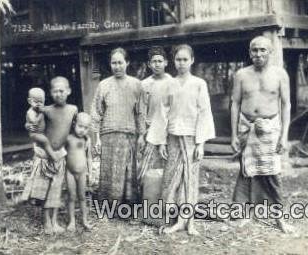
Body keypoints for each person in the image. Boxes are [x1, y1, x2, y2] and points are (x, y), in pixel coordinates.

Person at [149, 44, 215, 235]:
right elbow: (162, 113)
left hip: (192, 138)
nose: (181, 63)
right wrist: (161, 141)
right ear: (174, 61)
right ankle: (177, 220)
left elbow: (204, 113)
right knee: (172, 178)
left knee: (190, 179)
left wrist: (201, 143)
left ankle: (190, 222)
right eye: (178, 59)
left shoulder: (199, 84)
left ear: (192, 60)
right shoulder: (169, 83)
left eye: (185, 59)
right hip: (172, 137)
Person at [230, 36, 292, 233]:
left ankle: (279, 218)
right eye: (254, 50)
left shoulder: (280, 74)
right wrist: (233, 135)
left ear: (270, 52)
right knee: (246, 171)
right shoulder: (241, 74)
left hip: (270, 128)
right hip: (246, 127)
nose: (258, 54)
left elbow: (286, 104)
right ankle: (245, 214)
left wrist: (284, 135)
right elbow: (235, 104)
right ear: (249, 53)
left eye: (263, 50)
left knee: (272, 173)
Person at [91, 47, 146, 205]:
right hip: (108, 134)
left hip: (129, 133)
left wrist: (142, 135)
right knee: (109, 170)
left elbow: (141, 112)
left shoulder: (136, 84)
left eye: (120, 62)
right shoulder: (103, 85)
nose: (117, 66)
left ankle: (128, 205)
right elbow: (96, 112)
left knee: (128, 170)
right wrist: (96, 139)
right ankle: (109, 205)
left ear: (127, 63)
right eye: (113, 63)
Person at [23, 76, 78, 234]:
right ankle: (46, 221)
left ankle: (54, 221)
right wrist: (28, 124)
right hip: (45, 156)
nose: (59, 94)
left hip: (60, 156)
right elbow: (31, 122)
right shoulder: (45, 110)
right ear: (50, 93)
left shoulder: (73, 109)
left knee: (56, 190)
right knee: (43, 189)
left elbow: (76, 127)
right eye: (55, 91)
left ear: (69, 91)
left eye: (62, 91)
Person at [138, 46, 176, 181]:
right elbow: (141, 111)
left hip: (168, 131)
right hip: (150, 132)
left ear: (166, 62)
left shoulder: (173, 82)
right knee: (147, 171)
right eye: (154, 61)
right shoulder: (144, 84)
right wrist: (142, 135)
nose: (157, 64)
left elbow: (174, 110)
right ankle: (148, 198)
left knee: (167, 169)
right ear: (149, 64)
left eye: (160, 61)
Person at [65, 112, 93, 232]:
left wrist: (90, 173)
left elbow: (89, 157)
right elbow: (63, 155)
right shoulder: (68, 139)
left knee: (82, 197)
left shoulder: (87, 140)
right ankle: (72, 221)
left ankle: (85, 220)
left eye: (86, 128)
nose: (82, 130)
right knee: (71, 197)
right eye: (80, 126)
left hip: (82, 173)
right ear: (74, 124)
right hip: (70, 172)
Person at [25, 87, 66, 163]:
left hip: (43, 132)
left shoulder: (43, 109)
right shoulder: (30, 112)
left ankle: (53, 155)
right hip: (35, 134)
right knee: (45, 141)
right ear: (30, 101)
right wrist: (41, 113)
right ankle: (53, 157)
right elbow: (34, 122)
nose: (39, 104)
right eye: (36, 102)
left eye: (41, 102)